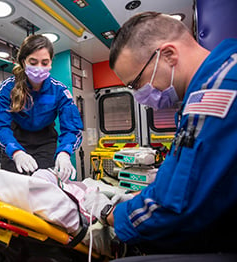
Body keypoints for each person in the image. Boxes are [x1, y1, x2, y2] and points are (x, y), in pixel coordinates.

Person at [85, 11, 237, 256]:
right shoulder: (224, 70)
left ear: (168, 54)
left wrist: (109, 213)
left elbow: (174, 206)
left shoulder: (215, 93)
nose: (140, 97)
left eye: (137, 84)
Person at [0, 34, 83, 181]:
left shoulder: (59, 91)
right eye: (33, 62)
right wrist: (16, 152)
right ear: (23, 62)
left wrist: (64, 152)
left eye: (45, 63)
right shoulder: (7, 89)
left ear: (51, 62)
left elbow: (72, 127)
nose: (39, 68)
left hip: (45, 142)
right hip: (15, 140)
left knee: (45, 188)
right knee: (14, 188)